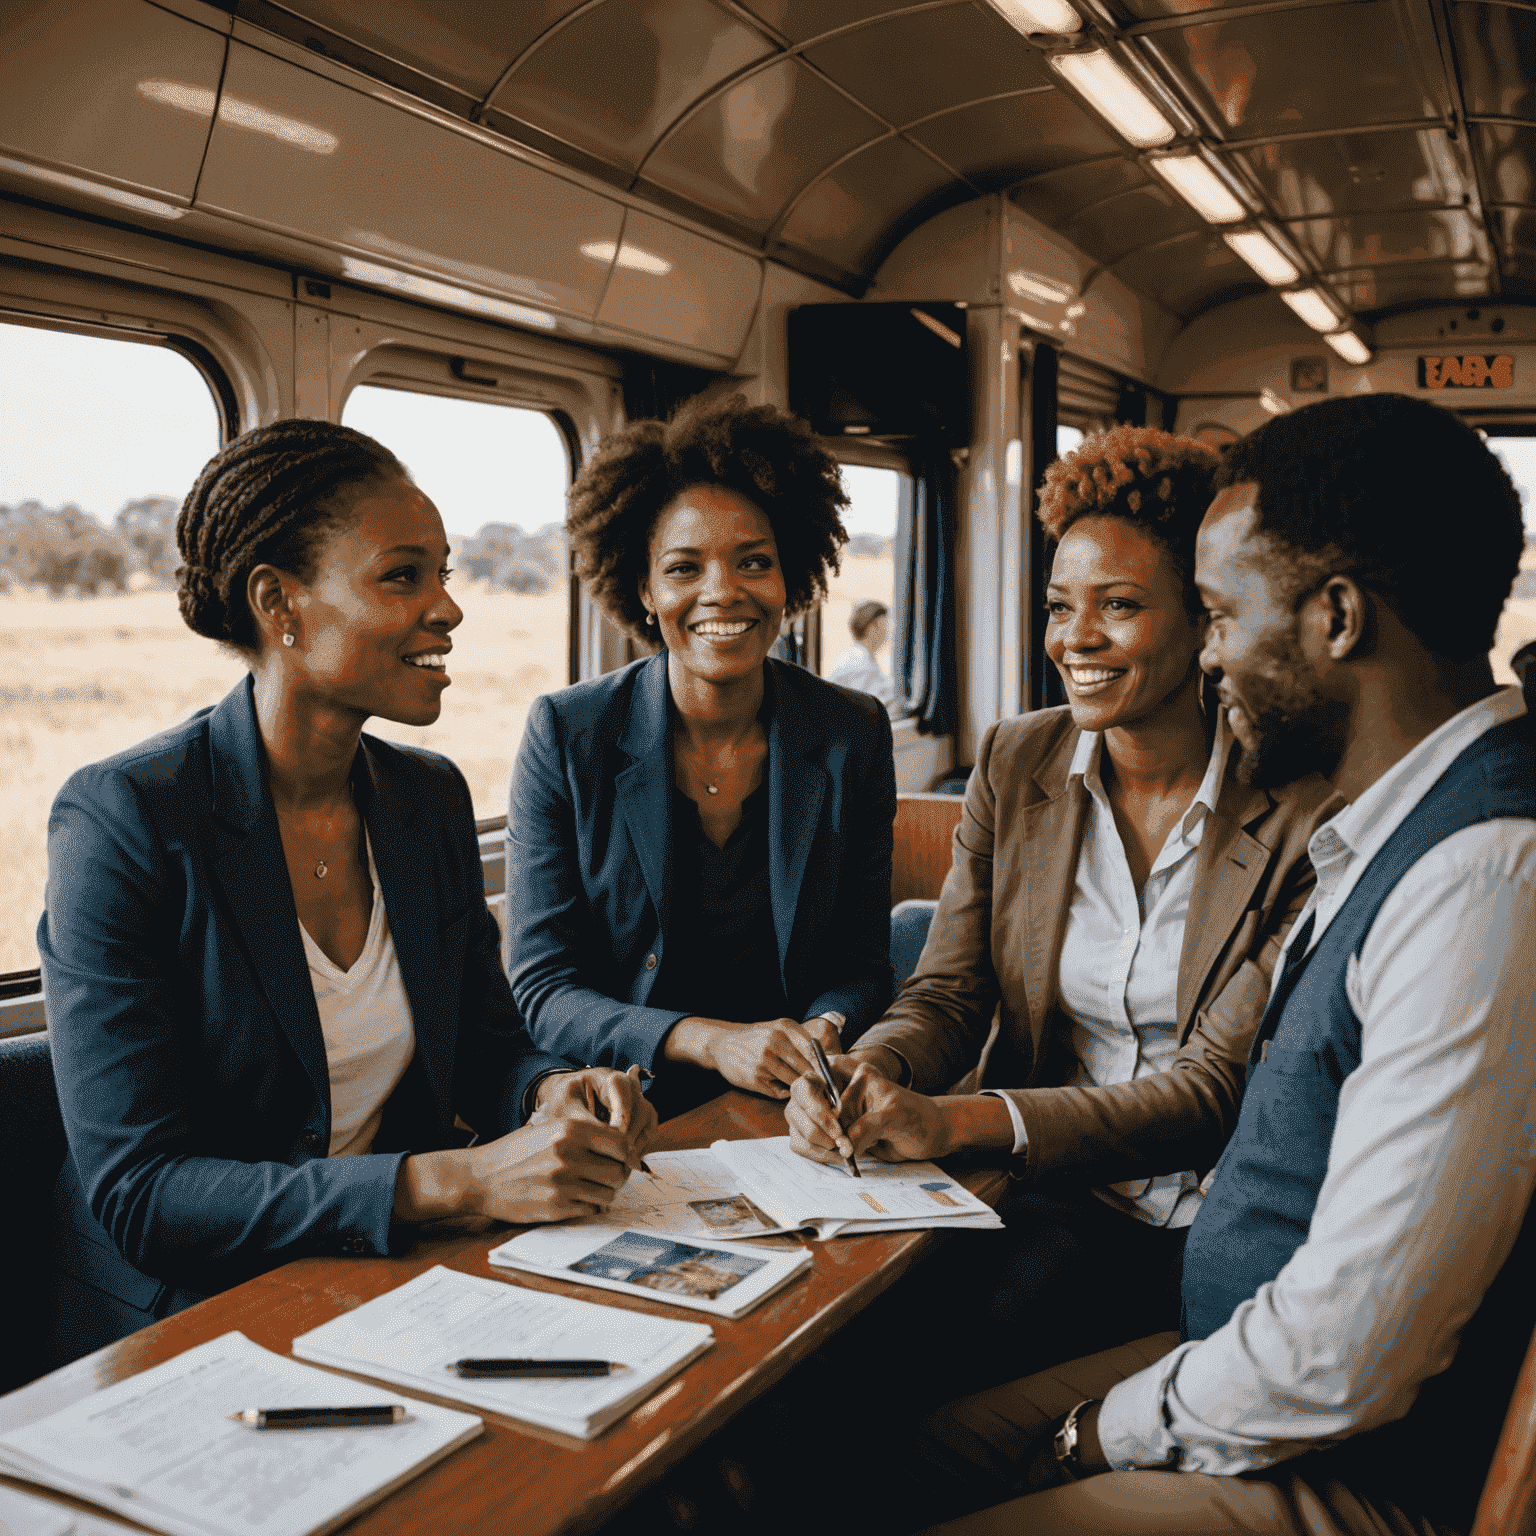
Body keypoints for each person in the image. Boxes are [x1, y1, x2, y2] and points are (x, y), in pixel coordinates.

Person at [914, 393, 1536, 1536]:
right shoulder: (1382, 824)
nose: (1213, 657)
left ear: (1337, 617)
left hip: (1370, 1461)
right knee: (904, 1458)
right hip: (1254, 1355)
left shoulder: (1482, 873)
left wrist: (1091, 1433)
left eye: (1217, 615)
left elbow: (1348, 1355)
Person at [40, 420, 655, 1360]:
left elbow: (490, 1049)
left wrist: (553, 1095)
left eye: (445, 573)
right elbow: (145, 1192)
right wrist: (459, 1182)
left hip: (385, 1277)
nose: (448, 607)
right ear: (279, 603)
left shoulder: (430, 799)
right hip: (191, 1316)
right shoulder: (127, 818)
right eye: (404, 576)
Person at [787, 425, 1335, 1384]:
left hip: (1201, 1226)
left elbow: (1212, 1091)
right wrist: (863, 1071)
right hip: (1039, 1192)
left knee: (926, 1377)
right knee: (839, 1363)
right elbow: (949, 992)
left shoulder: (1293, 807)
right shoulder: (1016, 760)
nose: (1075, 639)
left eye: (1119, 606)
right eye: (1058, 607)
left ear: (1205, 624)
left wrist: (957, 1122)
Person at [505, 395, 896, 1121]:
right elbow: (543, 989)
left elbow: (863, 962)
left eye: (754, 562)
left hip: (796, 1105)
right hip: (624, 1106)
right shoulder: (566, 734)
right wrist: (707, 1041)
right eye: (685, 568)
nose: (724, 591)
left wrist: (826, 1028)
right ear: (645, 589)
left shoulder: (853, 732)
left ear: (791, 579)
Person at [827, 599, 897, 712]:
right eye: (884, 625)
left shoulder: (858, 656)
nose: (887, 632)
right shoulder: (861, 663)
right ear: (873, 629)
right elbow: (867, 706)